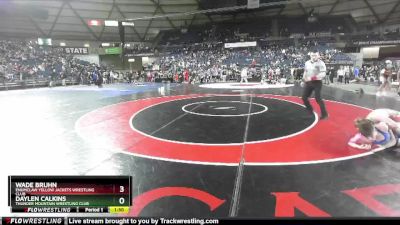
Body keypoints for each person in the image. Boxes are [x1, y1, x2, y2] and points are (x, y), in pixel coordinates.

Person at [302, 51, 329, 120]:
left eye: (315, 55)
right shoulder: (307, 63)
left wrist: (311, 78)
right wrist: (303, 79)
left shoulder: (321, 63)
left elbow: (323, 74)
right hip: (309, 82)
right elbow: (305, 71)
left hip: (317, 82)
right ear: (310, 55)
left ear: (318, 56)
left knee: (318, 99)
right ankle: (310, 110)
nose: (314, 57)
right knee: (304, 97)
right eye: (312, 55)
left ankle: (325, 114)